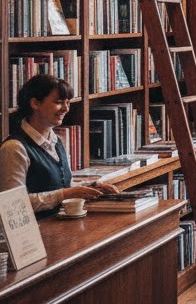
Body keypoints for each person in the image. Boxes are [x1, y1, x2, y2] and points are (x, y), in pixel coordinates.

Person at [0, 74, 118, 215]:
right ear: (35, 103)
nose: (66, 108)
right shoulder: (14, 148)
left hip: (60, 226)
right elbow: (12, 204)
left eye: (68, 102)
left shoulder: (57, 141)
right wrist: (64, 194)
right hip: (35, 232)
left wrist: (91, 188)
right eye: (59, 102)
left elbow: (63, 186)